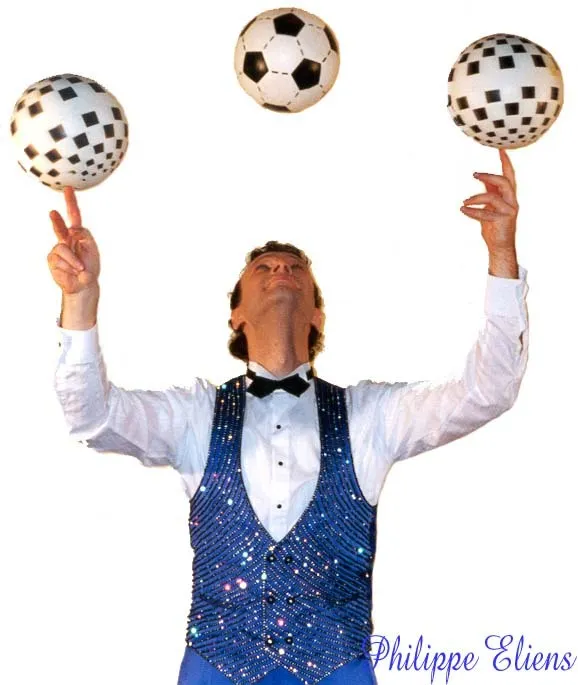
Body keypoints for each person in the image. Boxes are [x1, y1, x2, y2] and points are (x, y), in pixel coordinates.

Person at [48, 148, 528, 685]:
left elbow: (487, 391)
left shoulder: (369, 416)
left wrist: (502, 255)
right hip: (215, 670)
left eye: (296, 268)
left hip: (339, 671)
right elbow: (92, 418)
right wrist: (80, 300)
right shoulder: (196, 415)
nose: (281, 269)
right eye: (264, 268)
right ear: (236, 314)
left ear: (317, 314)